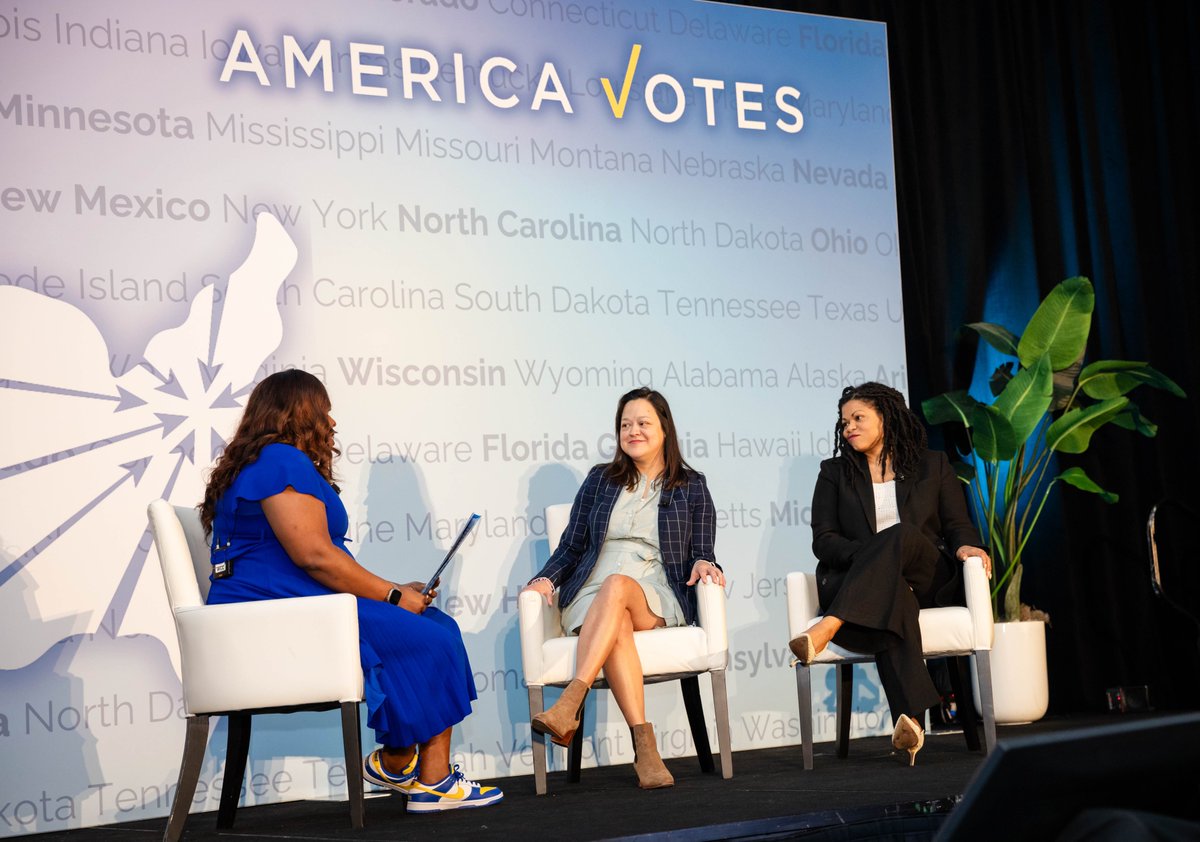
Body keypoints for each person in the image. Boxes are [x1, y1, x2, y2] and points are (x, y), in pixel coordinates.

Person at [200, 369, 502, 812]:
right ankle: (422, 775)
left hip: (292, 604)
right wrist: (394, 597)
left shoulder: (264, 462)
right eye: (324, 412)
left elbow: (319, 559)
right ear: (298, 414)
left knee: (431, 622)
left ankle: (402, 765)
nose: (332, 423)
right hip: (274, 615)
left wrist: (394, 589)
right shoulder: (279, 461)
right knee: (433, 635)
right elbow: (315, 557)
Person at [521, 387, 723, 789]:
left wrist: (705, 562)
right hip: (590, 594)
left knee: (617, 587)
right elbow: (572, 544)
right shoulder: (601, 480)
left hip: (656, 592)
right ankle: (645, 749)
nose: (633, 431)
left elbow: (704, 550)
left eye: (643, 423)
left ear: (664, 428)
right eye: (625, 424)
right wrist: (545, 578)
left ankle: (570, 702)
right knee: (616, 621)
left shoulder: (691, 485)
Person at [793, 382, 992, 766]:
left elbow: (956, 524)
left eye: (858, 418)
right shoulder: (834, 473)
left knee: (899, 536)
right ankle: (912, 722)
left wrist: (967, 546)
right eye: (844, 421)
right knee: (891, 590)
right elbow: (824, 541)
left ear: (886, 416)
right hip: (873, 585)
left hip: (925, 575)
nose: (848, 426)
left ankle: (831, 623)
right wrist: (876, 556)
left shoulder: (931, 465)